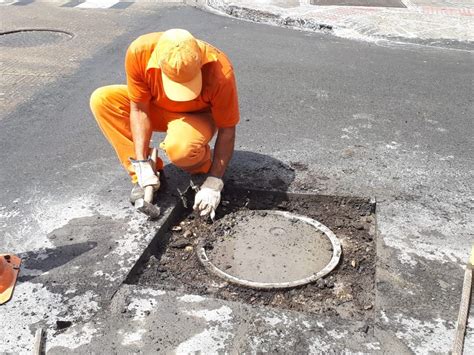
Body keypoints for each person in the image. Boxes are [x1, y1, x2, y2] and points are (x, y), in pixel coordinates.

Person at [90, 29, 239, 219]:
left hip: (196, 116)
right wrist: (142, 161)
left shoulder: (220, 71)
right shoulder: (139, 53)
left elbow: (227, 129)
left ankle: (200, 169)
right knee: (103, 100)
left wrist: (214, 181)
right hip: (155, 107)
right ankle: (145, 175)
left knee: (181, 149)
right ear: (158, 64)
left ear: (200, 61)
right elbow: (139, 109)